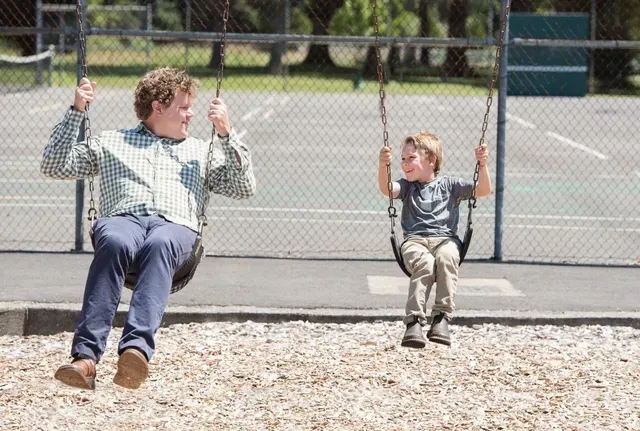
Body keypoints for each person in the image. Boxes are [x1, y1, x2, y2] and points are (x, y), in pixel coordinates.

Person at [41, 67, 256, 390]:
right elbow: (54, 165)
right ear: (158, 107)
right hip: (122, 220)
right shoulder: (113, 142)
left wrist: (226, 133)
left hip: (173, 229)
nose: (191, 113)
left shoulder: (201, 152)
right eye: (183, 107)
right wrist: (77, 113)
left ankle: (135, 351)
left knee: (160, 242)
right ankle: (85, 360)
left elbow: (244, 187)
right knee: (114, 240)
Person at [377, 131, 490, 348]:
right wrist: (383, 166)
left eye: (411, 158)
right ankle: (414, 323)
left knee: (447, 258)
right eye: (403, 159)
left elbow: (483, 190)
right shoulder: (407, 186)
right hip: (415, 241)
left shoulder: (450, 185)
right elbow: (388, 189)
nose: (405, 163)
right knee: (425, 263)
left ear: (431, 160)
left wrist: (482, 165)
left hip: (445, 240)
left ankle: (441, 319)